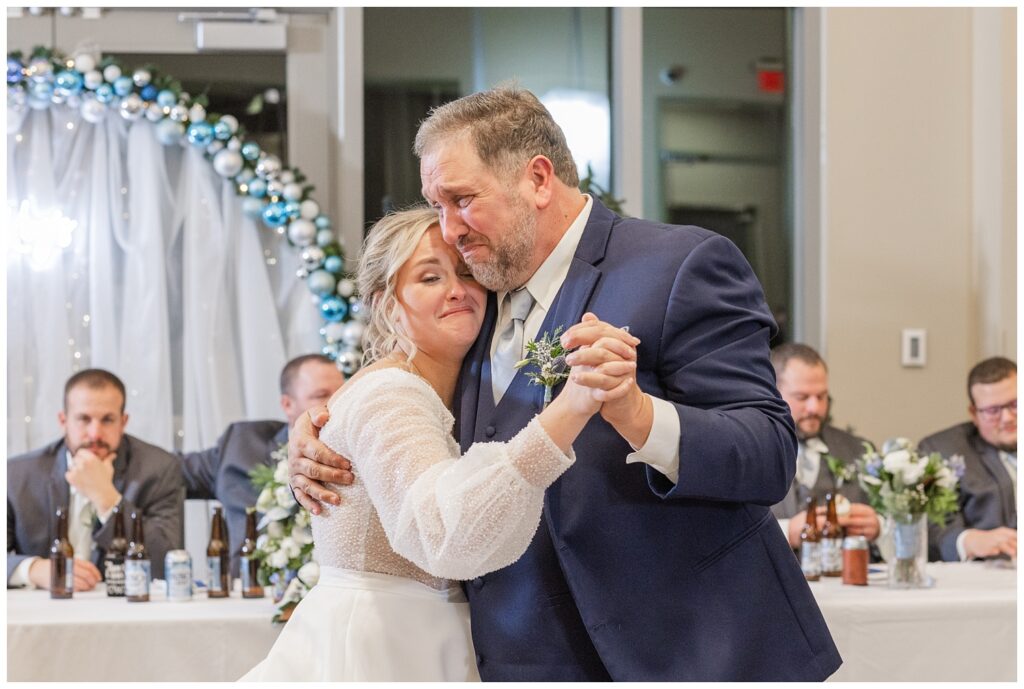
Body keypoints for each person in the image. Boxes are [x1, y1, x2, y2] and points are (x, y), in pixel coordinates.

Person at [287, 86, 841, 681]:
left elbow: (767, 454)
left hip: (685, 651)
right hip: (524, 658)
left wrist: (638, 415)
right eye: (436, 205)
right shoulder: (473, 298)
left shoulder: (681, 265)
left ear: (539, 179)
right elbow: (412, 397)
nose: (448, 230)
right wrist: (322, 430)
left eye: (462, 200)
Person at [242, 209, 637, 681]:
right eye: (430, 277)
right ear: (386, 302)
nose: (457, 290)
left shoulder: (454, 391)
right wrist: (573, 405)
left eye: (467, 273)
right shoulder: (391, 393)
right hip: (381, 649)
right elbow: (443, 534)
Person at [7, 369, 184, 588]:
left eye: (108, 420)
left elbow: (165, 562)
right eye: (84, 419)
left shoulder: (158, 469)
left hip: (125, 610)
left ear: (123, 422)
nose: (95, 434)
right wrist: (32, 569)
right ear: (63, 421)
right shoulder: (16, 474)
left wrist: (106, 498)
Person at [178, 354, 344, 576]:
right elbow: (168, 471)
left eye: (341, 394)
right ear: (287, 404)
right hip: (251, 593)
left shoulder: (359, 453)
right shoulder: (243, 446)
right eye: (321, 395)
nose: (334, 405)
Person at [769, 343, 881, 548]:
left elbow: (895, 526)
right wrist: (787, 533)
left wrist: (879, 528)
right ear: (773, 393)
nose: (815, 408)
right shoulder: (752, 453)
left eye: (821, 397)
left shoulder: (859, 450)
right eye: (802, 397)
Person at [919, 356, 1017, 562]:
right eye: (993, 411)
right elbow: (933, 528)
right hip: (990, 575)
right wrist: (969, 541)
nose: (1008, 418)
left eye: (1015, 404)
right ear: (974, 413)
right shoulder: (943, 450)